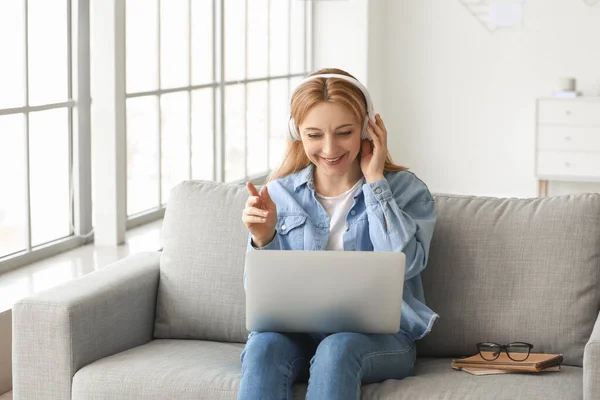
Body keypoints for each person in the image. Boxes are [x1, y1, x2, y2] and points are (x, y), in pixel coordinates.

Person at [238, 68, 439, 400]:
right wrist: (264, 239)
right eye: (314, 135)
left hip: (379, 338)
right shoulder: (278, 194)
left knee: (336, 348)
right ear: (297, 133)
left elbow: (408, 263)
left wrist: (376, 183)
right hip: (297, 335)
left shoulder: (406, 191)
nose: (329, 148)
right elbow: (262, 301)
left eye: (344, 132)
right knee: (263, 347)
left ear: (367, 128)